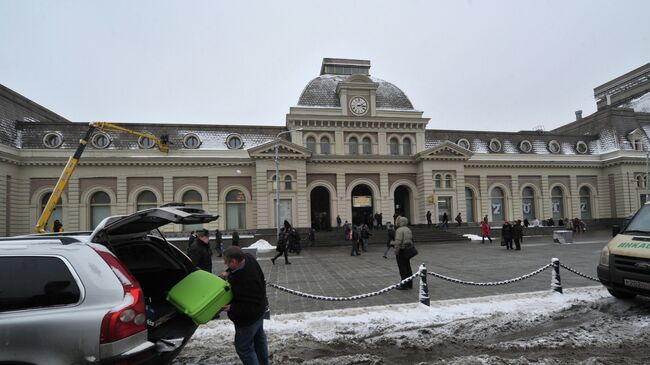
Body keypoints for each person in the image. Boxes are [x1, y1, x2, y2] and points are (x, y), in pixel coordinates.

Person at [220, 246, 269, 365]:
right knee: (258, 339)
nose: (225, 264)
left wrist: (232, 308)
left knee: (244, 348)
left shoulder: (246, 281)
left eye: (227, 262)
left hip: (249, 319)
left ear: (234, 261)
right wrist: (229, 271)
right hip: (259, 311)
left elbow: (250, 305)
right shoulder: (248, 257)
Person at [394, 216, 414, 290]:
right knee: (408, 267)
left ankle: (404, 285)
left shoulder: (399, 230)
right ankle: (410, 284)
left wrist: (396, 251)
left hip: (401, 251)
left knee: (402, 269)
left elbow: (398, 242)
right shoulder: (408, 229)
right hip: (407, 250)